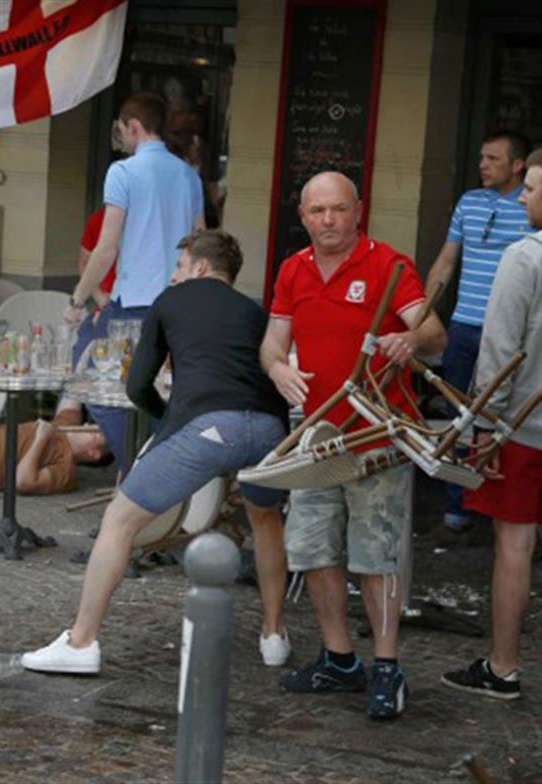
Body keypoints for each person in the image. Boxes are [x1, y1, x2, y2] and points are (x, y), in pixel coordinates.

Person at [24, 229, 293, 674]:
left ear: (200, 268)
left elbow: (137, 385)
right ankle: (273, 635)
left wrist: (166, 420)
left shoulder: (170, 302)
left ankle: (81, 642)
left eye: (179, 266)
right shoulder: (256, 312)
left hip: (209, 425)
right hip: (269, 429)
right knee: (266, 521)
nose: (173, 277)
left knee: (119, 520)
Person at [260, 171, 447, 720]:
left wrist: (409, 338)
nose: (328, 221)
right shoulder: (293, 270)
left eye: (338, 210)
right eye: (317, 211)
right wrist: (276, 370)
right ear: (302, 215)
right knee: (313, 548)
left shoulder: (388, 264)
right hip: (318, 436)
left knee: (376, 555)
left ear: (358, 210)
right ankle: (340, 659)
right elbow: (273, 341)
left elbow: (434, 332)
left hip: (379, 434)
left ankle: (387, 666)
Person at [442, 147, 542, 700]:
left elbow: (501, 352)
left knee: (514, 547)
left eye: (530, 189)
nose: (523, 198)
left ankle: (503, 666)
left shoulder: (524, 258)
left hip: (523, 429)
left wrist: (482, 425)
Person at [64, 92, 205, 472]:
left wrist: (78, 302)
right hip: (183, 302)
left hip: (134, 303)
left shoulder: (123, 172)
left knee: (89, 384)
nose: (122, 139)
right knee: (159, 392)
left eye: (123, 131)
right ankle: (164, 476)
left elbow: (106, 247)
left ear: (134, 127)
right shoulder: (188, 176)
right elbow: (201, 241)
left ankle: (145, 477)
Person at [424, 130, 531, 532]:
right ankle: (459, 504)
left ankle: (499, 503)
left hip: (509, 333)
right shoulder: (469, 202)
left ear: (517, 165)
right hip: (464, 327)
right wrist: (422, 318)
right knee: (459, 416)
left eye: (492, 159)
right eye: (482, 157)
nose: (482, 165)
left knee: (503, 418)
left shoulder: (531, 206)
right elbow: (446, 262)